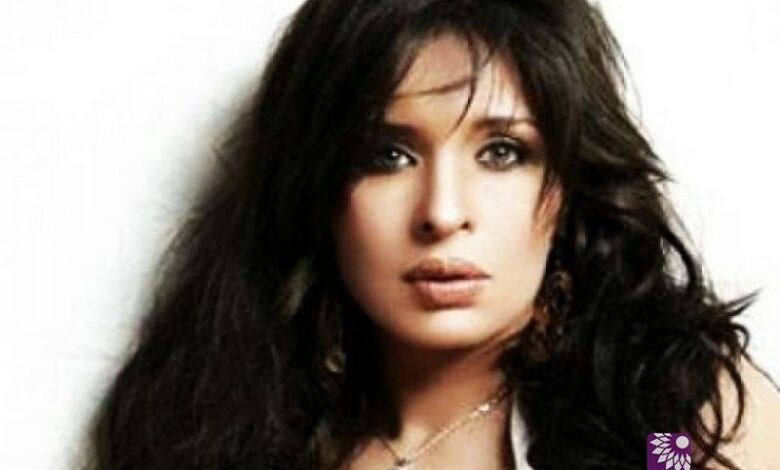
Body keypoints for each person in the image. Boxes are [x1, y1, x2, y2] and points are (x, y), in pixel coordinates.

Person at [83, 0, 780, 469]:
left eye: (502, 152)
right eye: (387, 155)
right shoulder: (219, 436)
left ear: (570, 184)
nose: (443, 213)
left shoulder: (665, 414)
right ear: (317, 187)